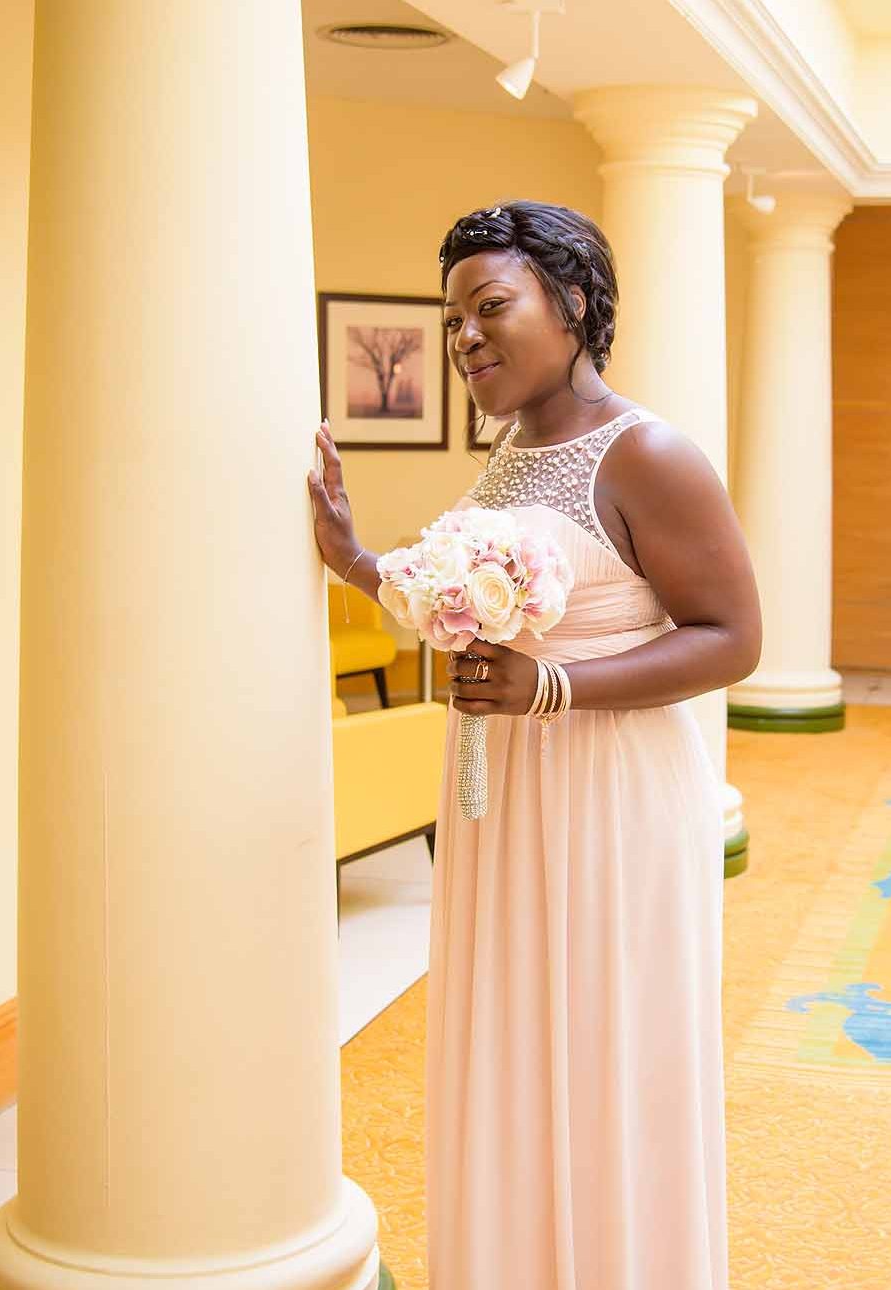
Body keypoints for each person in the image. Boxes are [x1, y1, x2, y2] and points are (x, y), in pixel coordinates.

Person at [307, 199, 762, 1290]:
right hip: (504, 790)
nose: (465, 337)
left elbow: (734, 638)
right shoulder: (512, 448)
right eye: (452, 319)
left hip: (611, 794)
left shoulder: (650, 453)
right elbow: (468, 602)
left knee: (605, 1043)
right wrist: (358, 559)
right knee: (514, 1036)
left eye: (489, 306)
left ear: (574, 303)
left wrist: (553, 687)